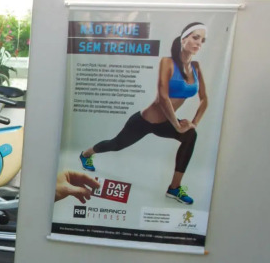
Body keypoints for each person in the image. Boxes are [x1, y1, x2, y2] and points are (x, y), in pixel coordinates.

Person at [78, 22, 209, 205]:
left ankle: (174, 188)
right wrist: (177, 125)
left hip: (166, 122)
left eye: (202, 40)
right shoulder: (167, 62)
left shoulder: (196, 67)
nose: (199, 43)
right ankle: (86, 154)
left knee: (190, 135)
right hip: (144, 121)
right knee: (116, 144)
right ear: (183, 38)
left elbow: (204, 99)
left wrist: (193, 123)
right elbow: (162, 98)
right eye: (195, 37)